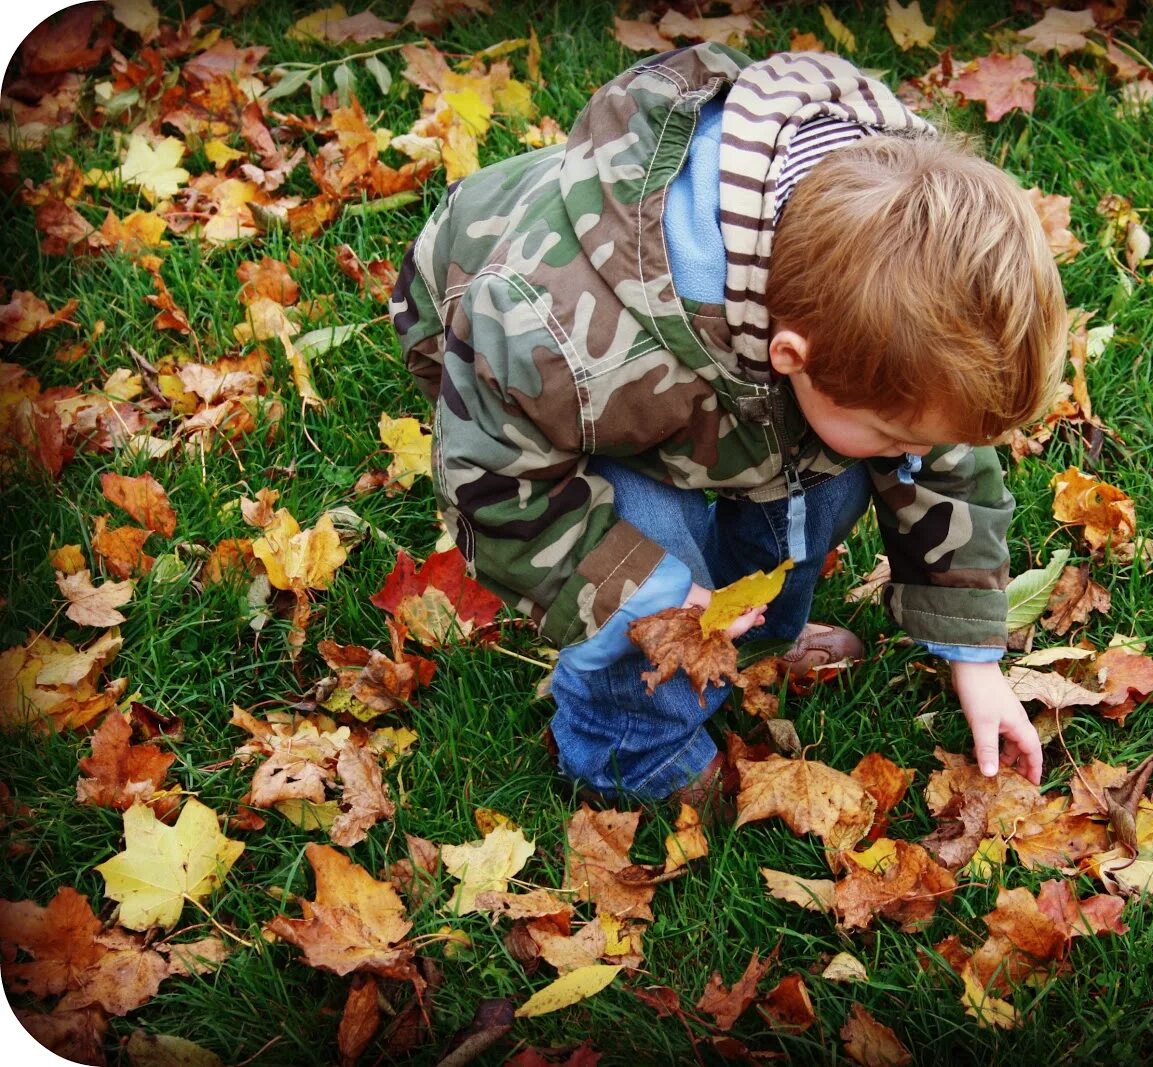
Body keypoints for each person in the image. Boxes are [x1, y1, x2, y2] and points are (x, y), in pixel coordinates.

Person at [389, 43, 1069, 805]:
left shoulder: (879, 295)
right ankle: (630, 743)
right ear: (793, 356)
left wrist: (975, 658)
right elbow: (494, 479)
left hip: (711, 365)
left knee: (829, 484)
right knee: (652, 533)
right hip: (532, 374)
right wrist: (640, 592)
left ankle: (755, 636)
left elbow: (939, 454)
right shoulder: (563, 347)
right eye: (896, 432)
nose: (917, 453)